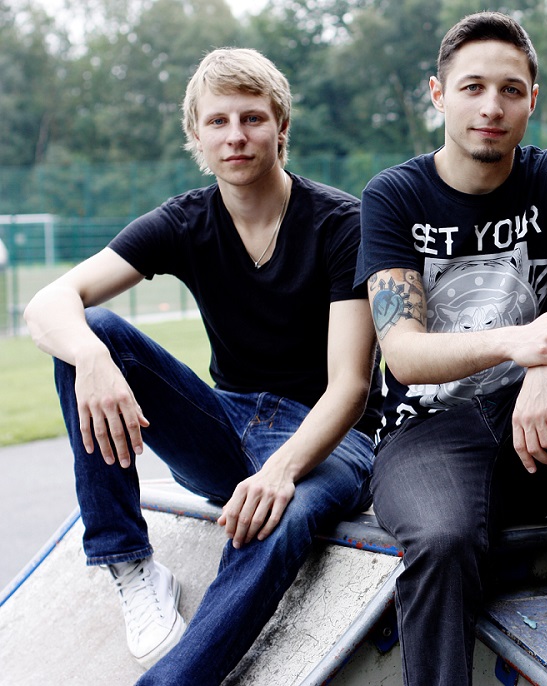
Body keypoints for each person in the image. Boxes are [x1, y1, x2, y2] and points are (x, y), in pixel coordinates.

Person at [23, 48, 381, 685]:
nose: (235, 136)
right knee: (91, 331)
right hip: (226, 424)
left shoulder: (341, 223)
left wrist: (280, 471)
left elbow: (350, 386)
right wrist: (92, 358)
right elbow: (49, 304)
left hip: (330, 438)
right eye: (218, 121)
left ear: (281, 126)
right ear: (197, 134)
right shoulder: (185, 221)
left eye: (252, 118)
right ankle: (128, 560)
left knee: (281, 515)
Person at [356, 12, 547, 684]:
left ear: (532, 100)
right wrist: (522, 342)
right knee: (442, 543)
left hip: (535, 434)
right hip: (426, 434)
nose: (491, 107)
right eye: (472, 87)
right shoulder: (395, 196)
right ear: (439, 95)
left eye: (511, 90)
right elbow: (404, 354)